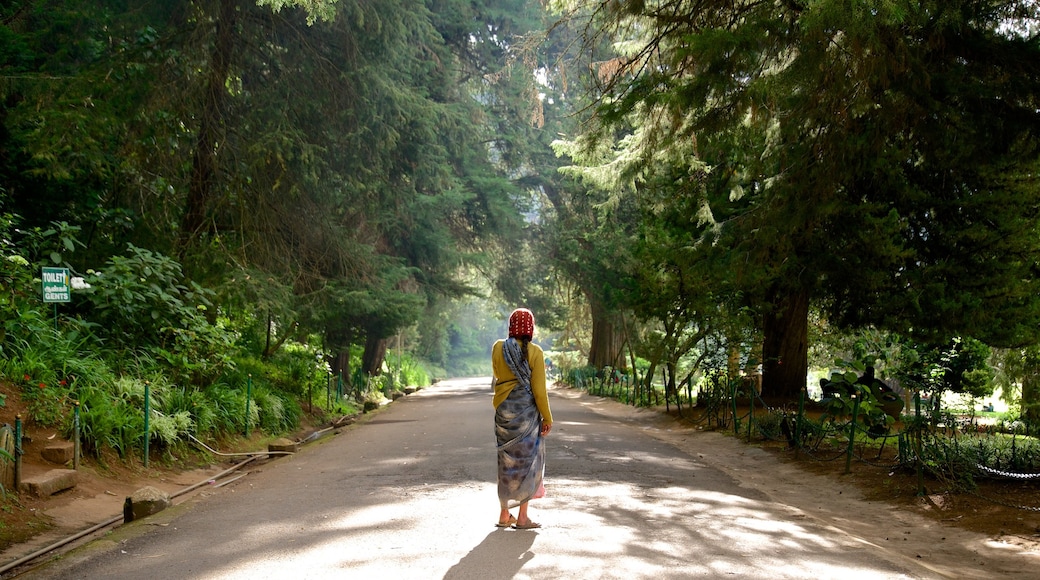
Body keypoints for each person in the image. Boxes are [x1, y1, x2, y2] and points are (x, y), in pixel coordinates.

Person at [492, 308, 553, 530]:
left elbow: (498, 375)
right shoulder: (536, 352)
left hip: (504, 412)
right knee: (527, 463)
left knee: (506, 462)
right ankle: (523, 517)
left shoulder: (498, 348)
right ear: (531, 328)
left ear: (511, 326)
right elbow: (539, 391)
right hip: (527, 415)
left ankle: (504, 513)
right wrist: (547, 417)